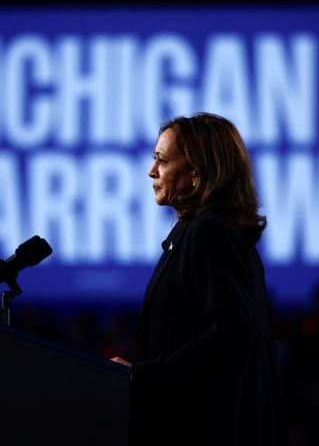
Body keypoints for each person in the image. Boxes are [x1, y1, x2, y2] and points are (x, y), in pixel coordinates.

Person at [111, 112, 289, 446]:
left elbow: (231, 332)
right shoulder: (211, 230)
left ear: (196, 174)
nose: (151, 171)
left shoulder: (210, 232)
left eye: (162, 161)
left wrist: (143, 375)